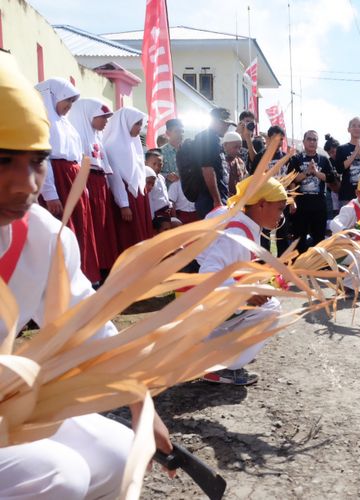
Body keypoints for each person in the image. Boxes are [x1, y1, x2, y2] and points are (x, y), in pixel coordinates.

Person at [0, 54, 172, 499]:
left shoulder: (40, 237)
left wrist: (141, 402)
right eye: (2, 161)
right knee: (57, 475)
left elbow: (86, 324)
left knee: (118, 456)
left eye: (36, 161)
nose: (25, 184)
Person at [196, 176, 289, 385]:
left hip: (208, 304)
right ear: (261, 204)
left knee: (266, 296)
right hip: (201, 305)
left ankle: (211, 351)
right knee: (271, 309)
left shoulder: (243, 222)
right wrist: (247, 292)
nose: (281, 216)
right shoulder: (238, 233)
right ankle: (222, 367)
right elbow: (208, 274)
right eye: (279, 208)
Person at [34, 77, 100, 283]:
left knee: (80, 231)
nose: (69, 106)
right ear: (53, 96)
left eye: (72, 102)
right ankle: (59, 284)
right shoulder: (44, 122)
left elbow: (77, 158)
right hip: (58, 181)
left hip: (72, 182)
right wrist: (50, 193)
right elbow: (42, 158)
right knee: (62, 232)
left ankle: (79, 278)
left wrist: (83, 186)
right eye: (67, 100)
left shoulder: (67, 125)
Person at [68, 97, 120, 278]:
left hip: (99, 186)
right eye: (103, 117)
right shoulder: (77, 135)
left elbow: (103, 165)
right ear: (89, 115)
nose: (106, 121)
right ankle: (91, 271)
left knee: (102, 229)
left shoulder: (96, 137)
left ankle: (103, 266)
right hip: (87, 183)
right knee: (90, 229)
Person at [103, 106, 154, 252]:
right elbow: (115, 178)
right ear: (125, 122)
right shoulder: (111, 146)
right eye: (137, 123)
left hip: (137, 196)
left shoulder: (135, 143)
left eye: (141, 124)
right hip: (126, 198)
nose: (140, 128)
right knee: (128, 237)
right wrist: (124, 204)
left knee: (141, 236)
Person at [289, 130, 337, 252]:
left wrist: (316, 172)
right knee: (299, 239)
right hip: (301, 206)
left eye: (314, 140)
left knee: (319, 239)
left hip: (319, 205)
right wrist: (307, 173)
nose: (312, 142)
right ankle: (298, 267)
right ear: (304, 141)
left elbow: (331, 178)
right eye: (309, 139)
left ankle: (317, 266)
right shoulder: (296, 159)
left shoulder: (323, 159)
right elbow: (291, 180)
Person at [251, 126, 291, 255]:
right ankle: (264, 265)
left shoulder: (286, 157)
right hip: (265, 202)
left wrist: (292, 200)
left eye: (281, 139)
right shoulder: (259, 157)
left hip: (282, 201)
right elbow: (253, 179)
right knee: (263, 236)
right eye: (275, 138)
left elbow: (291, 180)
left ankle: (284, 266)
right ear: (268, 138)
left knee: (283, 234)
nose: (278, 142)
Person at [194, 107, 232, 218]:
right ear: (214, 121)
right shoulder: (208, 138)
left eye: (228, 124)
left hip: (216, 198)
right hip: (209, 200)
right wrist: (217, 200)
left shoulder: (214, 139)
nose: (227, 127)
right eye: (224, 123)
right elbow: (207, 169)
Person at [334, 117, 360, 204]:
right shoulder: (342, 148)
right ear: (349, 129)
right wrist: (354, 154)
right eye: (354, 126)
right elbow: (339, 169)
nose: (357, 128)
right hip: (347, 195)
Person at [221, 131, 247, 196]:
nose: (238, 151)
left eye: (239, 147)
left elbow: (245, 181)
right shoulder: (218, 162)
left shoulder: (240, 162)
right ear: (225, 145)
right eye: (235, 147)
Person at [160, 118, 183, 187]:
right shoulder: (160, 152)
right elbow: (153, 173)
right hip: (168, 194)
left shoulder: (188, 152)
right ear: (168, 133)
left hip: (186, 194)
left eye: (182, 131)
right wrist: (167, 176)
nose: (180, 134)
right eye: (177, 131)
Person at [323, 133, 342, 219]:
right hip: (333, 193)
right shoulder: (328, 162)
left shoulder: (345, 159)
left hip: (346, 192)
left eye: (333, 152)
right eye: (329, 153)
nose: (332, 155)